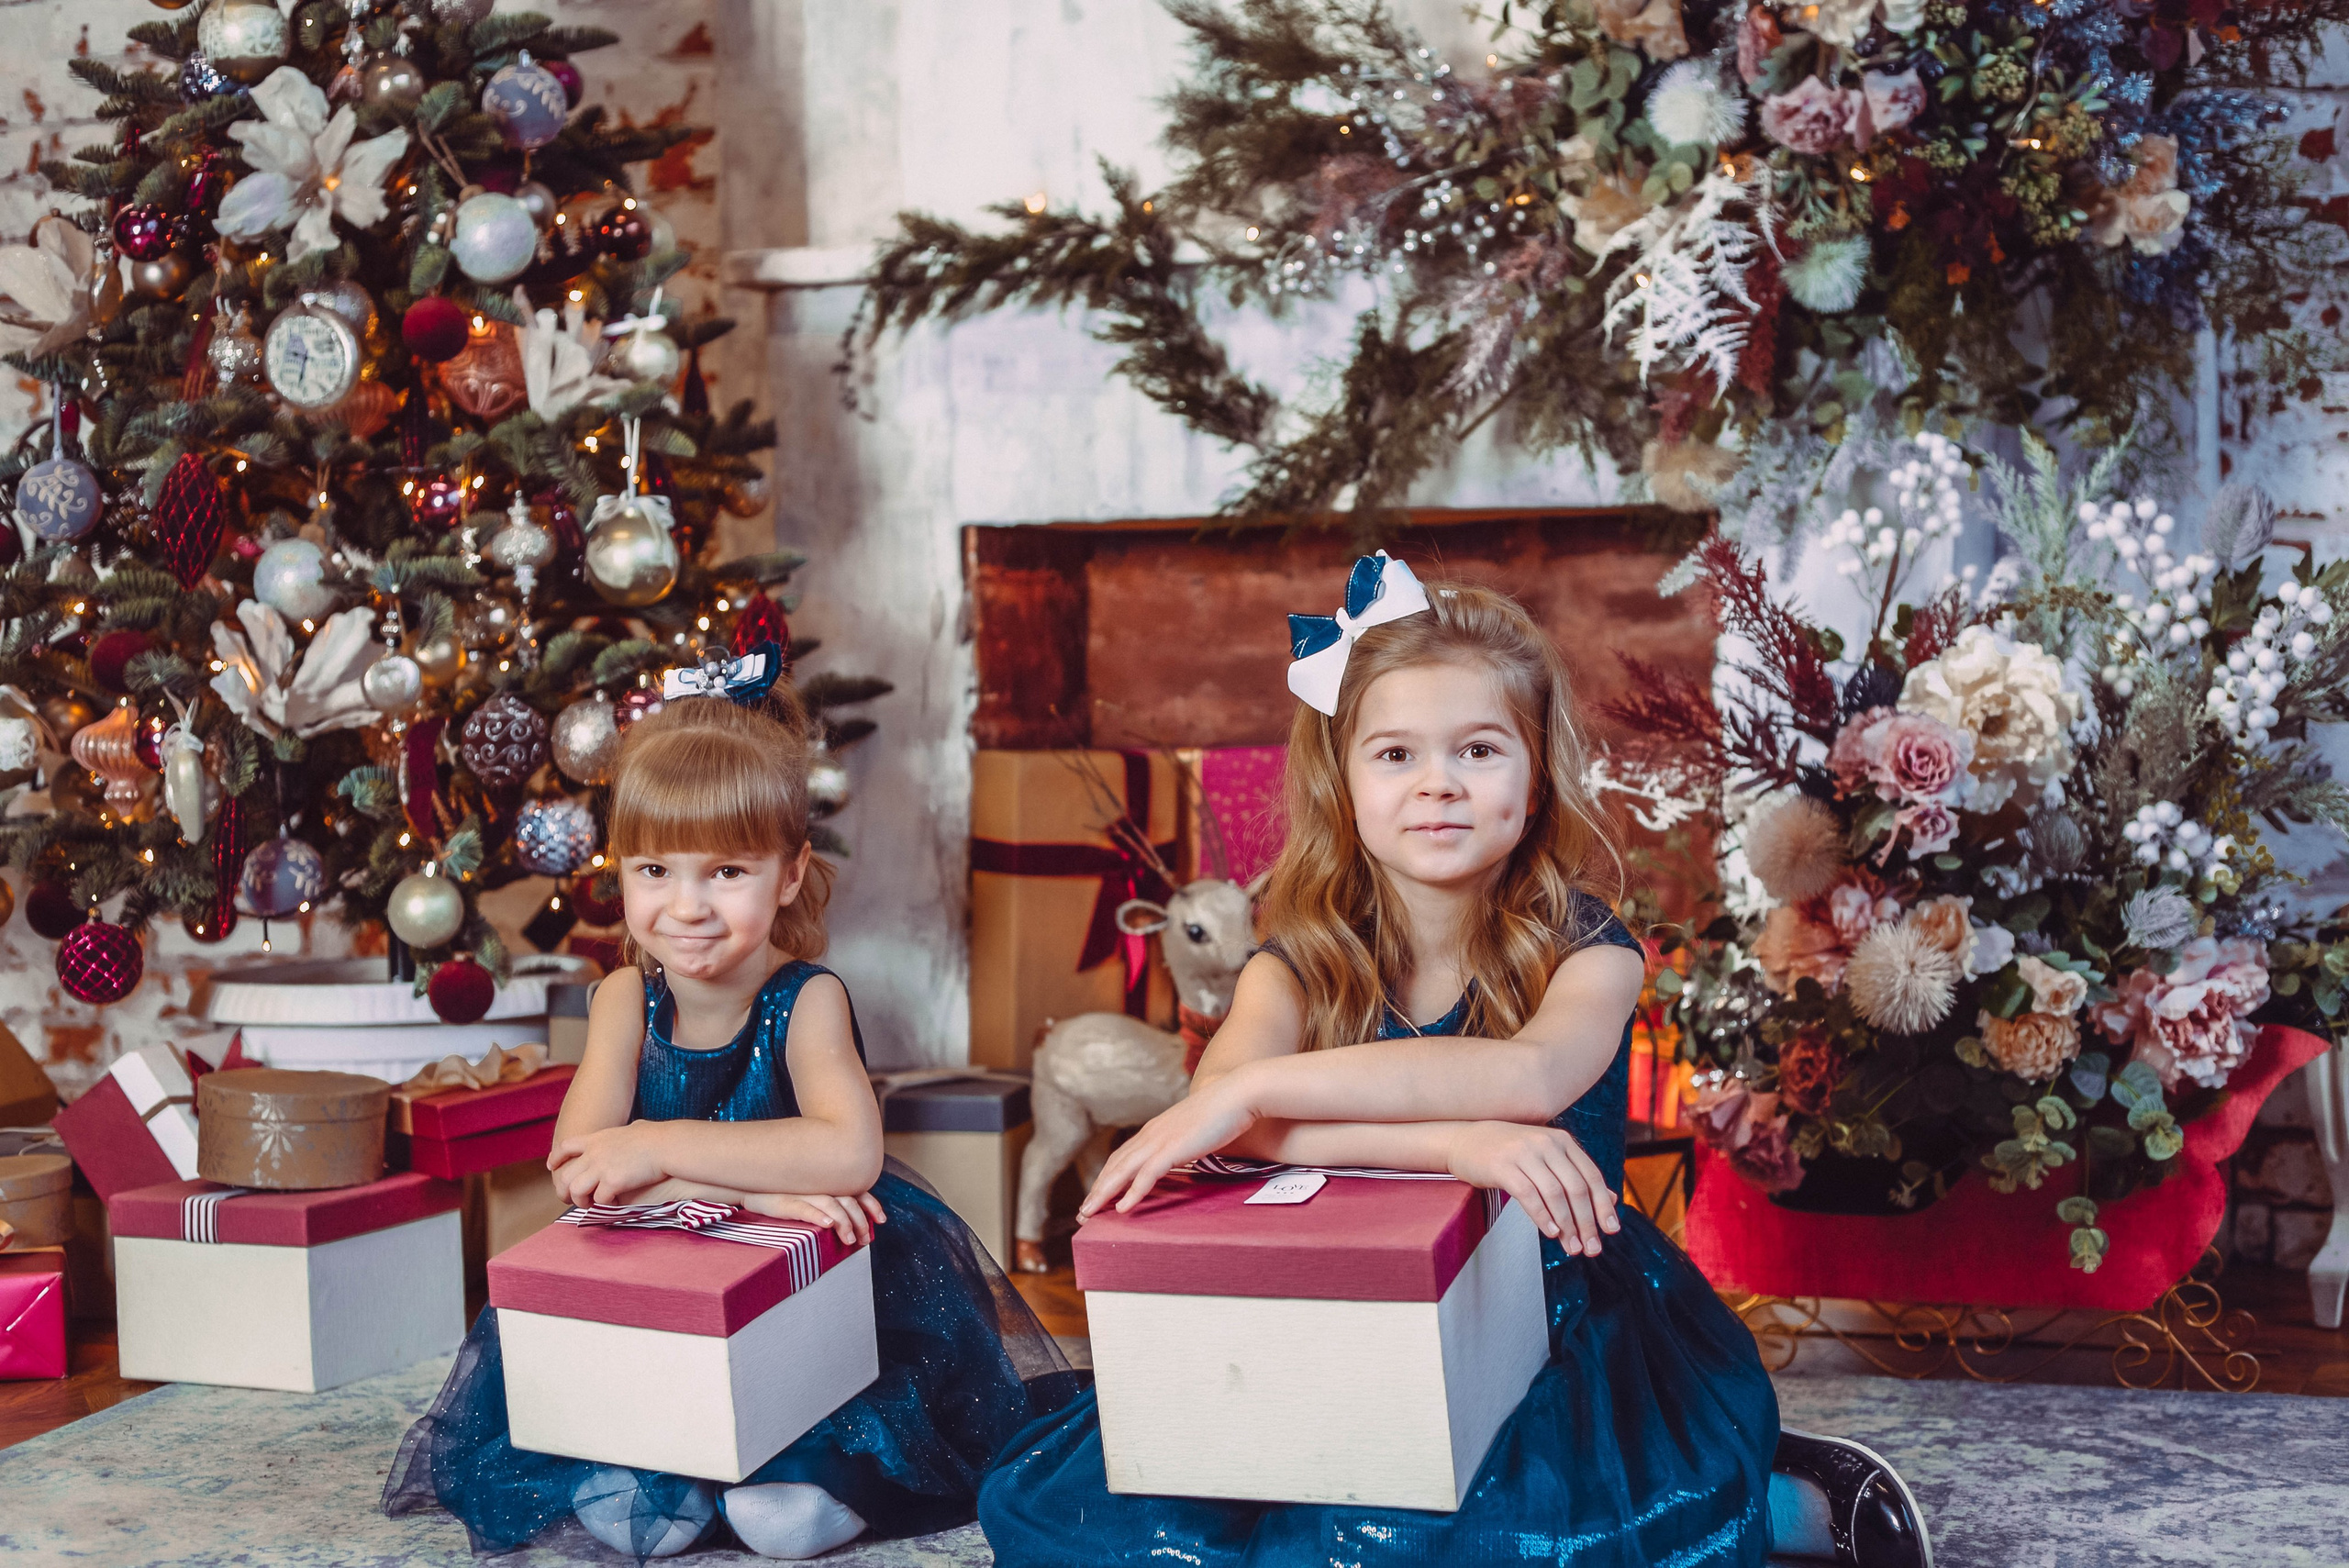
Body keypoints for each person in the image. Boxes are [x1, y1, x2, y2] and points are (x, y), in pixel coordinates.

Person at [976, 556, 1932, 1568]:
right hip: (1350, 1307)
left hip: (1546, 1310)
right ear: (1341, 784)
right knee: (1101, 1518)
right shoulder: (1297, 959)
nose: (1437, 782)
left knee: (1475, 1535)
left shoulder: (1589, 947)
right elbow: (1236, 1123)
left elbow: (1520, 1081)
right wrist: (1453, 1144)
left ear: (1534, 777)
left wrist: (1252, 1090)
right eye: (1393, 753)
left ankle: (1763, 1495)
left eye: (1477, 748)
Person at [385, 659, 1081, 1560]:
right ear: (619, 873)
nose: (687, 906)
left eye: (725, 870)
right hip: (663, 1277)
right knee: (636, 1499)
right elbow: (581, 1170)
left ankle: (799, 1471)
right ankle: (673, 1468)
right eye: (654, 869)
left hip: (814, 1292)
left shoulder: (806, 1000)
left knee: (781, 1506)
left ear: (789, 873)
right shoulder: (620, 1005)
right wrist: (763, 1190)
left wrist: (659, 1146)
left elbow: (848, 1156)